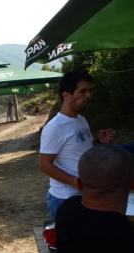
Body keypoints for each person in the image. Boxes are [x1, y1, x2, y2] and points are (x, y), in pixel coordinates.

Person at [39, 70, 117, 222]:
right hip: (66, 199)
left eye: (90, 90)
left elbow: (84, 151)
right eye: (83, 91)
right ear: (66, 95)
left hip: (87, 195)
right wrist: (76, 181)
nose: (88, 95)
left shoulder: (81, 119)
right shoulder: (55, 127)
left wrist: (99, 142)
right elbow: (44, 165)